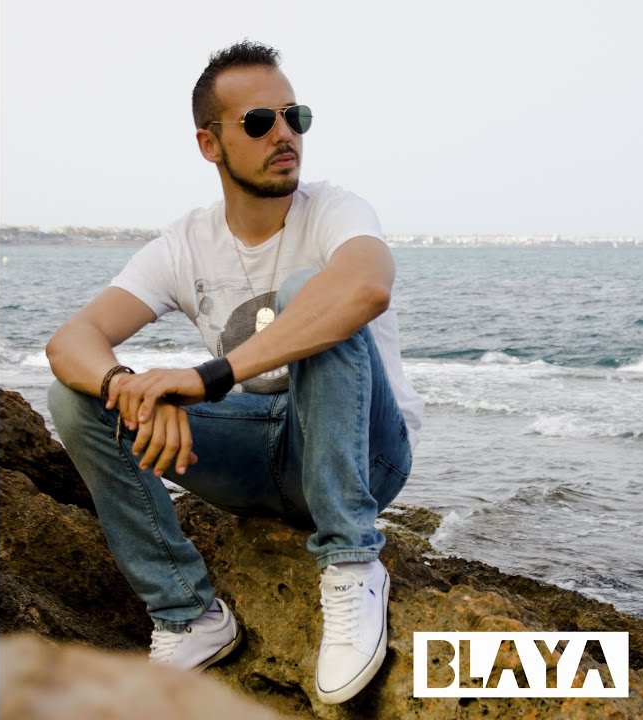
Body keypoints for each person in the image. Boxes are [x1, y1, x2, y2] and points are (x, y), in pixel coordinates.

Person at [45, 40, 424, 705]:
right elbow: (71, 340)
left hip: (365, 456)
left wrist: (206, 377)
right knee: (75, 398)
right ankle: (187, 614)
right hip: (257, 457)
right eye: (258, 122)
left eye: (294, 117)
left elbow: (365, 288)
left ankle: (352, 564)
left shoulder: (336, 210)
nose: (284, 135)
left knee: (313, 291)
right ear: (209, 144)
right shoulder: (187, 243)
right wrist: (127, 389)